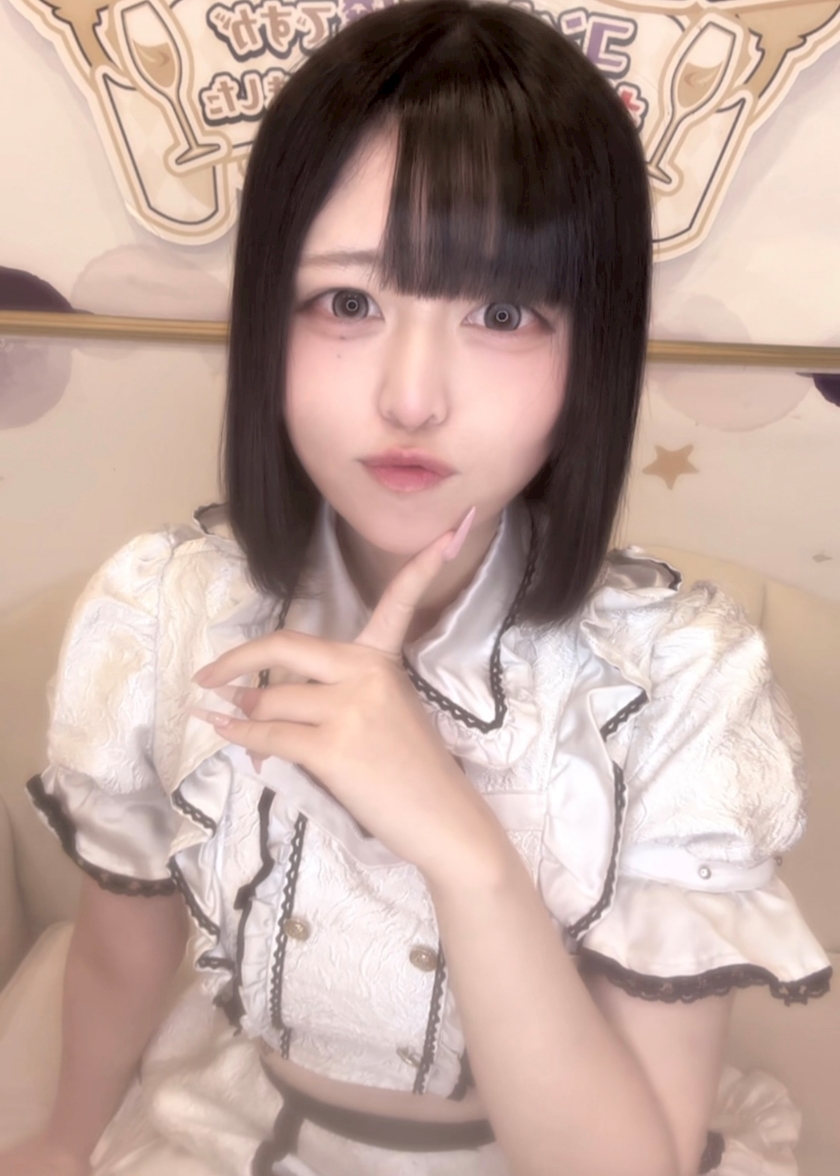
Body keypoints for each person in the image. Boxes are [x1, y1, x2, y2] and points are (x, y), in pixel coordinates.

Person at [0, 2, 832, 1174]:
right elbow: (120, 945)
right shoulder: (164, 611)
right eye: (348, 303)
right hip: (237, 1133)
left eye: (500, 313)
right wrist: (62, 1137)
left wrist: (457, 838)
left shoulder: (679, 679)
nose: (410, 397)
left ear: (590, 350)